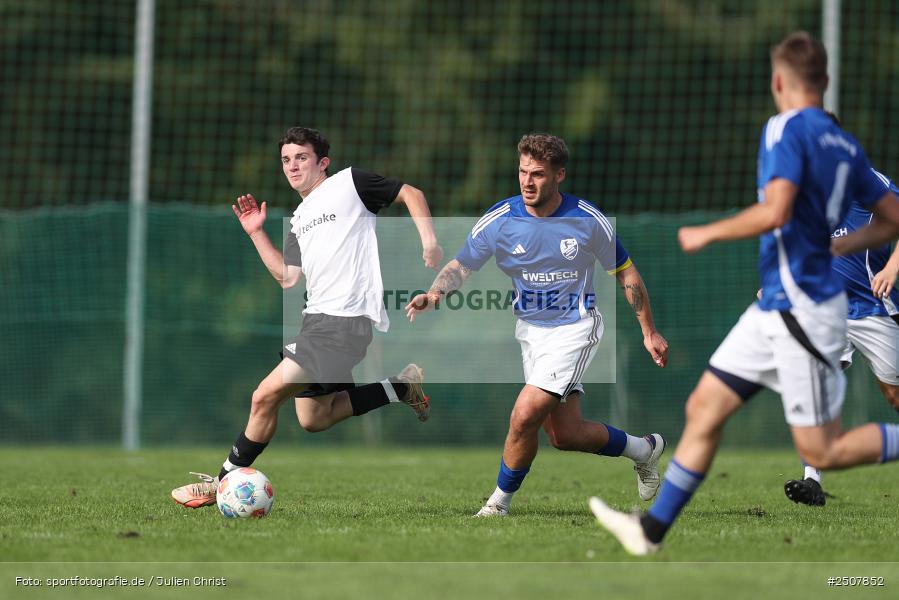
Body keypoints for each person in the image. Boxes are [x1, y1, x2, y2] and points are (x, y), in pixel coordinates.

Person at [590, 31, 899, 555]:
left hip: (804, 307)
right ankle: (650, 534)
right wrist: (834, 247)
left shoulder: (782, 129)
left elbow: (775, 211)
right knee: (705, 406)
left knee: (822, 446)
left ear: (779, 81)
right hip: (777, 303)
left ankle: (651, 531)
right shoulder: (846, 147)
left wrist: (710, 232)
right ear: (823, 82)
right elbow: (891, 219)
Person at [171, 127, 444, 508]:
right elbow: (287, 277)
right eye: (286, 159)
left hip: (343, 323)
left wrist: (429, 240)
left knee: (263, 396)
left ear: (322, 162)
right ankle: (400, 388)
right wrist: (255, 233)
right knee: (315, 418)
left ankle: (219, 483)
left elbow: (410, 193)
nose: (292, 166)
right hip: (316, 323)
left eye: (301, 157)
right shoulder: (299, 218)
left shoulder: (350, 183)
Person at [405, 133, 669, 516]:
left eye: (539, 174)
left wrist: (649, 331)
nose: (528, 182)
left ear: (559, 175)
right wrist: (434, 294)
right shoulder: (501, 219)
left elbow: (626, 274)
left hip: (576, 327)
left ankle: (498, 504)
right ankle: (645, 449)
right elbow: (462, 265)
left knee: (523, 413)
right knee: (565, 435)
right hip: (530, 332)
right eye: (523, 172)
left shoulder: (587, 221)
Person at [785, 141, 899, 506]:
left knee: (894, 394)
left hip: (873, 308)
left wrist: (893, 267)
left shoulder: (868, 183)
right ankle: (812, 480)